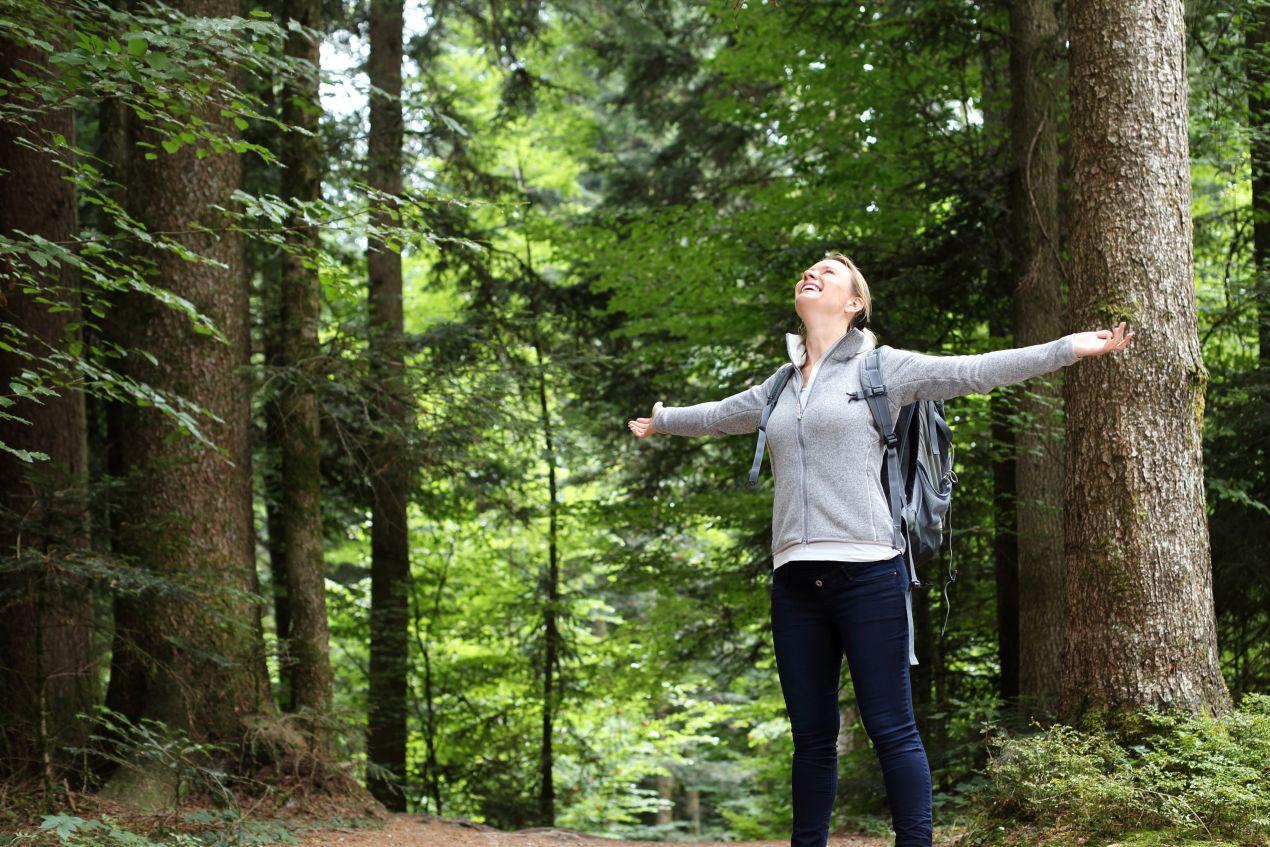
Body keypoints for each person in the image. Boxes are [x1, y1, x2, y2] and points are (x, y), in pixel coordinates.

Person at [626, 252, 1134, 847]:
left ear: (854, 304)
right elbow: (717, 417)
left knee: (892, 729)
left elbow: (975, 370)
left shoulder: (882, 369)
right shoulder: (780, 386)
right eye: (809, 270)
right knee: (811, 738)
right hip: (794, 582)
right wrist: (662, 421)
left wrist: (1069, 347)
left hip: (869, 573)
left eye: (830, 273)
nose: (812, 274)